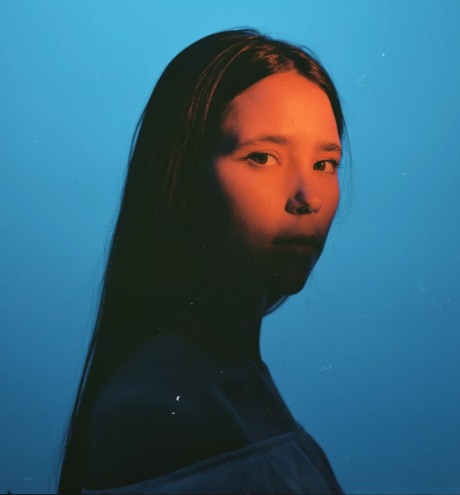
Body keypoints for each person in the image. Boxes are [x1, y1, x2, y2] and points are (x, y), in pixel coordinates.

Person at [57, 29, 348, 494]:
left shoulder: (236, 381)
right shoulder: (157, 407)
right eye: (263, 157)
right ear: (182, 172)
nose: (307, 197)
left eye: (324, 164)